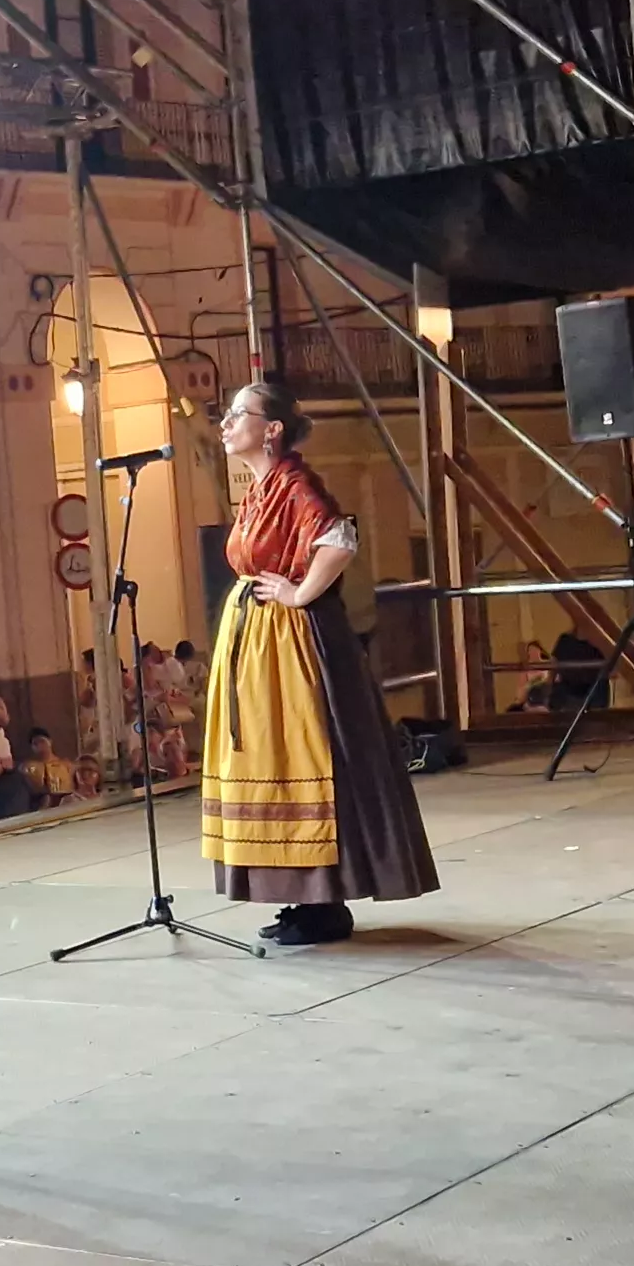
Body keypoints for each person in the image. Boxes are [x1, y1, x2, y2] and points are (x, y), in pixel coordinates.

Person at [200, 382, 438, 946]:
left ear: (272, 428)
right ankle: (301, 899)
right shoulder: (262, 489)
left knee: (302, 751)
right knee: (272, 759)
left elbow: (339, 537)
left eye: (239, 414)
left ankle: (325, 903)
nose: (227, 424)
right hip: (261, 641)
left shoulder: (295, 483)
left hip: (292, 643)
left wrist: (300, 594)